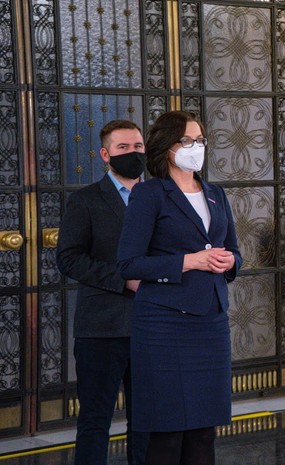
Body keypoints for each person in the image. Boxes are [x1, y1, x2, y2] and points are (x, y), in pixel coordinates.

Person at [116, 111, 242, 465]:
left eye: (200, 140)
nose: (195, 147)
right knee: (167, 432)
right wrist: (189, 261)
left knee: (204, 432)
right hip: (164, 326)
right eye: (187, 140)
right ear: (167, 147)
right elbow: (128, 264)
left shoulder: (215, 193)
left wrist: (230, 262)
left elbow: (234, 251)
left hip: (210, 324)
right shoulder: (149, 194)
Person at [56, 119, 150, 465]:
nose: (132, 153)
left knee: (148, 420)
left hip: (152, 327)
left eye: (138, 146)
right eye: (123, 147)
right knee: (95, 420)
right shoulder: (85, 201)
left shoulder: (160, 196)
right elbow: (69, 258)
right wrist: (124, 279)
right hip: (102, 328)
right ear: (105, 154)